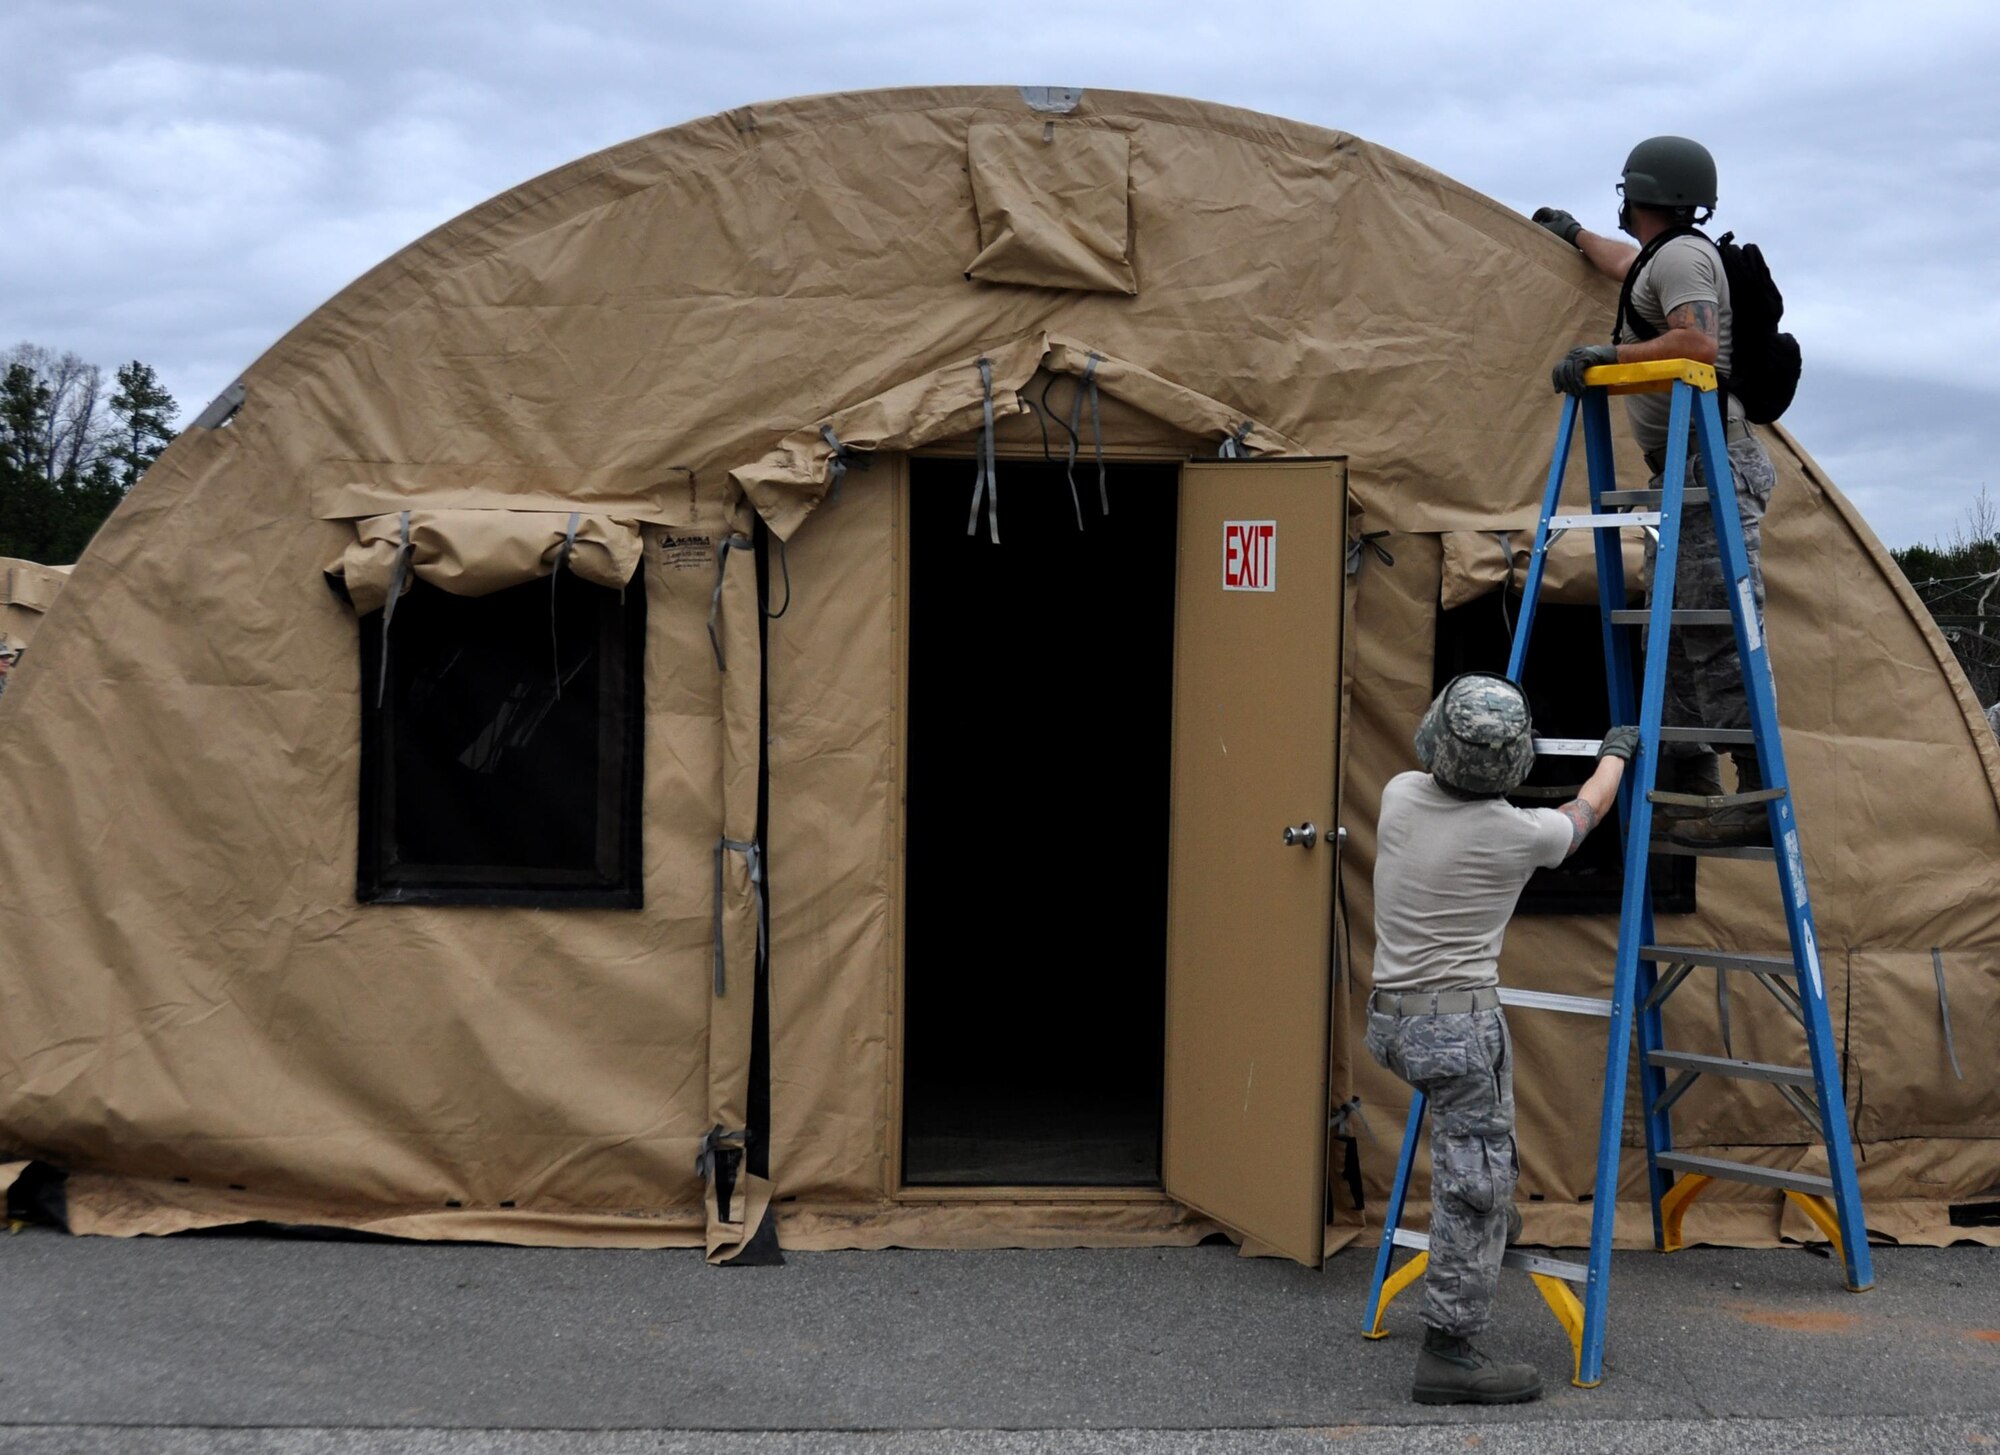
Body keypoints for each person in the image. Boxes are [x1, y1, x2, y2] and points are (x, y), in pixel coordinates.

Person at [1368, 673, 1635, 1405]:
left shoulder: (1396, 794)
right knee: (1474, 1181)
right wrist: (1614, 753)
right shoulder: (1519, 833)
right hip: (1456, 1028)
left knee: (1478, 1140)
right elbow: (1586, 813)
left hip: (1391, 1021)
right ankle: (1449, 1351)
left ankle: (1493, 1214)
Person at [1532, 135, 1779, 847]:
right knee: (1674, 623)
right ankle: (1690, 781)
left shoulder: (1680, 258)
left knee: (1714, 625)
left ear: (1636, 191)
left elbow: (1697, 345)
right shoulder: (1663, 255)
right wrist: (1572, 233)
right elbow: (1627, 266)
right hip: (1686, 468)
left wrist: (1607, 357)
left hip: (1709, 465)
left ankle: (1752, 789)